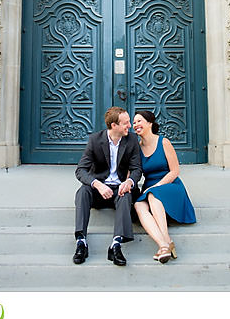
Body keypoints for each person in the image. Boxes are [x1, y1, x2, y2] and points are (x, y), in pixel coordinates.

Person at [73, 106, 142, 266]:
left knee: (126, 195)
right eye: (125, 123)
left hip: (119, 190)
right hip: (99, 190)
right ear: (114, 126)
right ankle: (81, 242)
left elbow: (137, 169)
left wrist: (129, 182)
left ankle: (116, 245)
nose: (129, 126)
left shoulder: (131, 140)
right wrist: (97, 184)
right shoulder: (95, 140)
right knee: (83, 191)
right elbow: (80, 170)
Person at [132, 110, 197, 263]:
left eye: (139, 121)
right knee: (139, 205)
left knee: (153, 196)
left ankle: (166, 241)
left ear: (150, 123)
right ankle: (164, 244)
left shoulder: (164, 142)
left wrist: (158, 185)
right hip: (150, 188)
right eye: (134, 123)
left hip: (170, 185)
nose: (135, 125)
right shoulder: (137, 148)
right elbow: (132, 172)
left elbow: (175, 171)